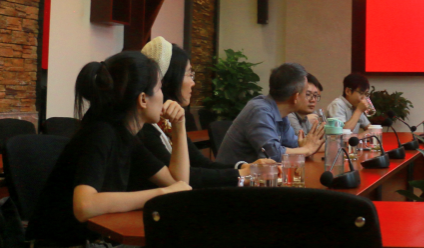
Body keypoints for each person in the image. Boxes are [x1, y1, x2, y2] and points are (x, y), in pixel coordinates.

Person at [19, 51, 192, 248]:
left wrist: (179, 128)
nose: (164, 95)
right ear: (143, 99)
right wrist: (160, 195)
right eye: (160, 88)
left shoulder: (125, 135)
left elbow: (178, 182)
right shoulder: (100, 133)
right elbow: (84, 206)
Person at [138, 37, 273, 187]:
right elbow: (184, 179)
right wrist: (242, 174)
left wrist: (243, 167)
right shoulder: (144, 127)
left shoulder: (167, 121)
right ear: (169, 79)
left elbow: (200, 163)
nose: (193, 83)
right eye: (189, 74)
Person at [215, 62, 325, 165]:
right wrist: (306, 150)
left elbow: (293, 144)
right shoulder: (259, 111)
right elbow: (273, 154)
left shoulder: (281, 113)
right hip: (233, 177)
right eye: (306, 93)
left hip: (260, 176)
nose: (311, 99)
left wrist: (307, 145)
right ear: (296, 97)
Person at [287, 73, 323, 138]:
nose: (313, 100)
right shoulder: (289, 115)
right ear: (296, 95)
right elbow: (302, 141)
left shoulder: (304, 117)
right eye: (308, 94)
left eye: (315, 95)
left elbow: (318, 139)